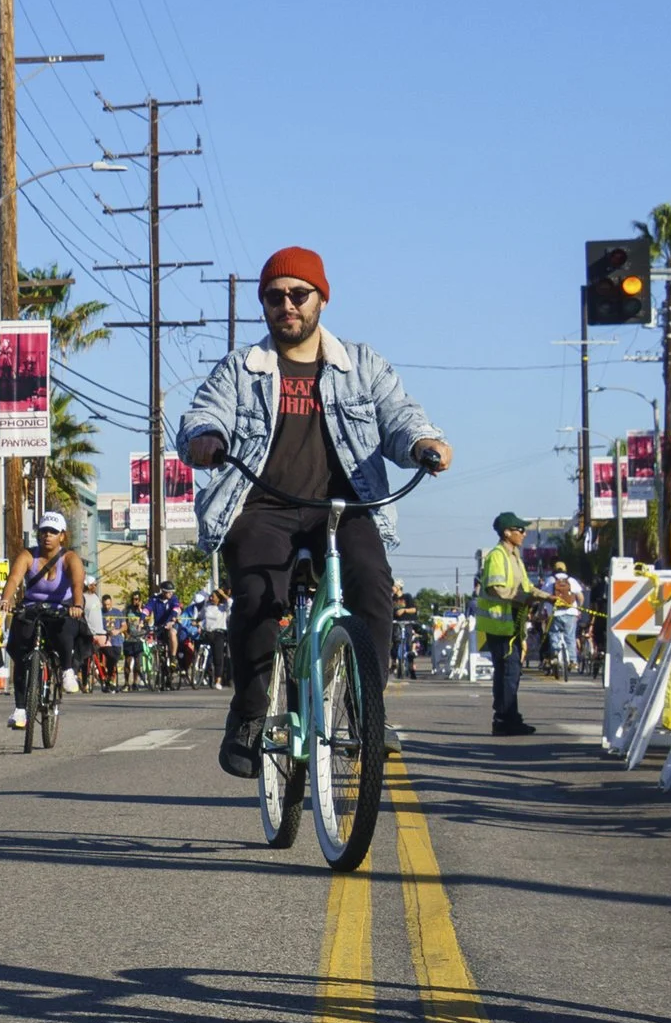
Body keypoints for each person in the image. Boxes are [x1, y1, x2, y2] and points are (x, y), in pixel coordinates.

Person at [181, 247, 453, 775]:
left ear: (321, 299)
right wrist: (206, 438)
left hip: (345, 507)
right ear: (264, 305)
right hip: (263, 506)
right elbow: (204, 411)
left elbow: (399, 415)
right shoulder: (243, 367)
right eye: (274, 296)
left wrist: (423, 442)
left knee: (373, 586)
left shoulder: (362, 365)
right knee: (258, 597)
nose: (287, 305)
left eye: (298, 294)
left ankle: (365, 711)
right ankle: (249, 715)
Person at [0, 511, 87, 730]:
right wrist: (6, 599)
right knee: (20, 654)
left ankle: (67, 670)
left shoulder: (70, 558)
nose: (47, 535)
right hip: (33, 608)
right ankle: (20, 709)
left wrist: (77, 606)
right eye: (44, 531)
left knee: (66, 630)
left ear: (62, 536)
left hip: (62, 608)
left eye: (53, 532)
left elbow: (78, 585)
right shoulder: (28, 555)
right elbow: (14, 579)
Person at [475, 514, 536, 734]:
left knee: (511, 671)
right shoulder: (498, 556)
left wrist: (547, 597)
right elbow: (495, 588)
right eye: (520, 529)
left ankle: (509, 717)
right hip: (500, 625)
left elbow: (526, 589)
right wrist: (523, 598)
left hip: (512, 625)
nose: (524, 533)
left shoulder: (515, 558)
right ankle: (504, 718)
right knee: (509, 671)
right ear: (507, 533)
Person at [545, 562, 583, 674]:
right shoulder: (572, 581)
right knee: (570, 637)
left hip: (555, 613)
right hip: (571, 613)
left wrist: (540, 612)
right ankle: (573, 661)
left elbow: (543, 597)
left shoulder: (550, 580)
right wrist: (578, 609)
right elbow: (580, 597)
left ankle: (555, 655)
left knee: (554, 635)